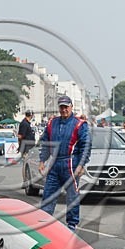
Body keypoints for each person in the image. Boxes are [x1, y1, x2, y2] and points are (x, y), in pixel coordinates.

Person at [38, 94, 91, 232]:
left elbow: (86, 146)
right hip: (54, 164)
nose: (64, 110)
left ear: (71, 107)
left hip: (71, 164)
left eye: (66, 107)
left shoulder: (80, 124)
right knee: (48, 194)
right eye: (61, 107)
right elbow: (45, 143)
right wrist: (42, 160)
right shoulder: (51, 123)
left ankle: (72, 226)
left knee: (72, 196)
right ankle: (44, 224)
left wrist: (81, 165)